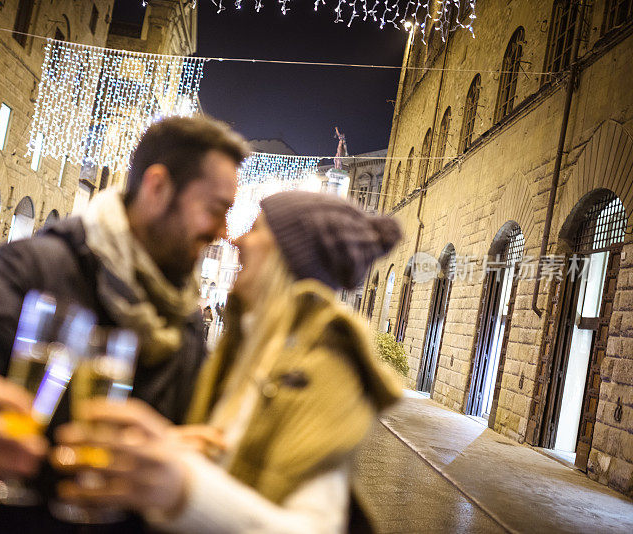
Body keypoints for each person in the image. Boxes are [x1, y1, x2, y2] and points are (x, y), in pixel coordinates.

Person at [0, 116, 249, 533]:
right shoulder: (41, 264)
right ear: (157, 188)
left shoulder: (184, 309)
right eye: (215, 209)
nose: (223, 231)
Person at [51, 191, 404, 532]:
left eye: (257, 229)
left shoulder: (323, 368)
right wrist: (173, 450)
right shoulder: (246, 350)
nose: (237, 240)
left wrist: (183, 487)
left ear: (288, 256)